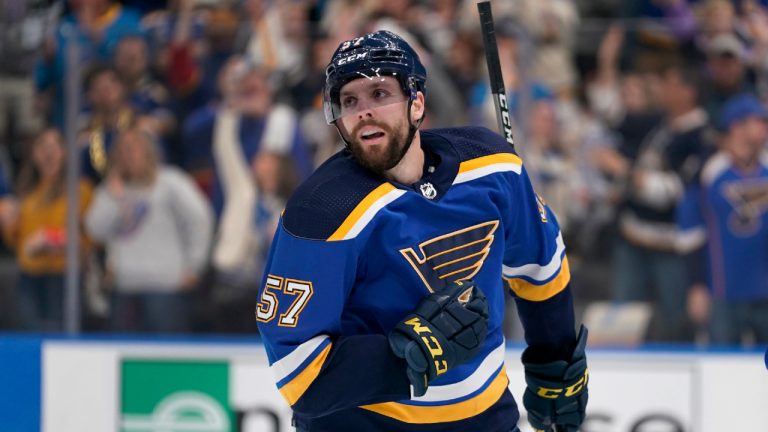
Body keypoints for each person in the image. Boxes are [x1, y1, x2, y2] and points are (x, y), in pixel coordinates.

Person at [256, 30, 588, 432]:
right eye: (349, 101)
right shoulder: (321, 212)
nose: (364, 111)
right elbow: (298, 376)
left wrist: (554, 360)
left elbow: (540, 266)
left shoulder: (492, 167)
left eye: (380, 94)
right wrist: (405, 358)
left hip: (484, 419)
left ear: (417, 103)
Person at [85, 126, 213, 333]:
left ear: (149, 151)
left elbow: (200, 219)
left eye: (134, 148)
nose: (129, 155)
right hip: (124, 288)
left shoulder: (171, 182)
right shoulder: (110, 191)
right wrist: (115, 198)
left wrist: (195, 266)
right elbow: (95, 230)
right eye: (123, 150)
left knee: (167, 358)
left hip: (166, 287)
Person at [678, 94, 768, 345]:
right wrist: (696, 284)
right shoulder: (709, 171)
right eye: (758, 121)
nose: (765, 127)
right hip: (723, 291)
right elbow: (690, 231)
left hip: (765, 289)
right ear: (737, 126)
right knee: (722, 367)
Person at [1, 128, 93, 331]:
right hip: (29, 276)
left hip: (64, 276)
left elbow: (89, 236)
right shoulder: (26, 192)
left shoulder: (80, 190)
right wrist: (7, 223)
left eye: (54, 146)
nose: (48, 153)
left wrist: (50, 238)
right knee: (30, 335)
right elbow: (16, 240)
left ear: (64, 152)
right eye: (42, 147)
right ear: (34, 154)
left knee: (59, 335)